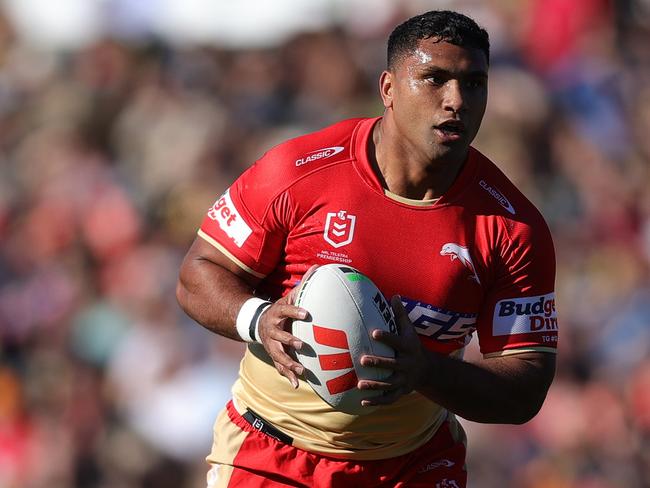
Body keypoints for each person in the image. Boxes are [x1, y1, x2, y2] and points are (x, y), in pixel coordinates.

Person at [177, 10, 558, 488]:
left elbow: (524, 390)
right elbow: (198, 272)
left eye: (473, 83)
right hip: (272, 453)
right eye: (434, 79)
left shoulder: (512, 228)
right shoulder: (297, 172)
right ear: (388, 88)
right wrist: (257, 319)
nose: (455, 100)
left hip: (414, 464)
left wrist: (424, 371)